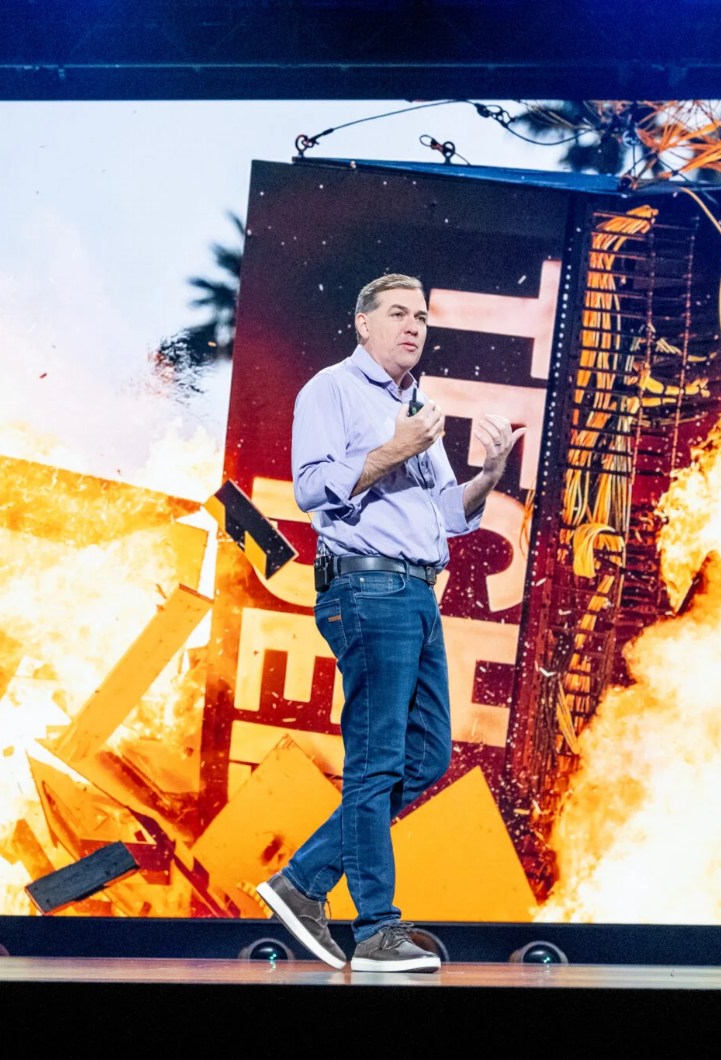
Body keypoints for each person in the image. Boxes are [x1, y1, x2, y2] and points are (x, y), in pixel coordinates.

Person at [255, 273, 522, 973]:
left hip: (417, 594)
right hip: (368, 589)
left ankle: (303, 880)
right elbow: (311, 487)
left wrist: (491, 471)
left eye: (422, 317)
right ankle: (376, 930)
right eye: (398, 314)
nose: (413, 327)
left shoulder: (416, 407)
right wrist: (396, 448)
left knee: (426, 756)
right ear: (362, 323)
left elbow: (450, 515)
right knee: (375, 762)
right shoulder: (332, 390)